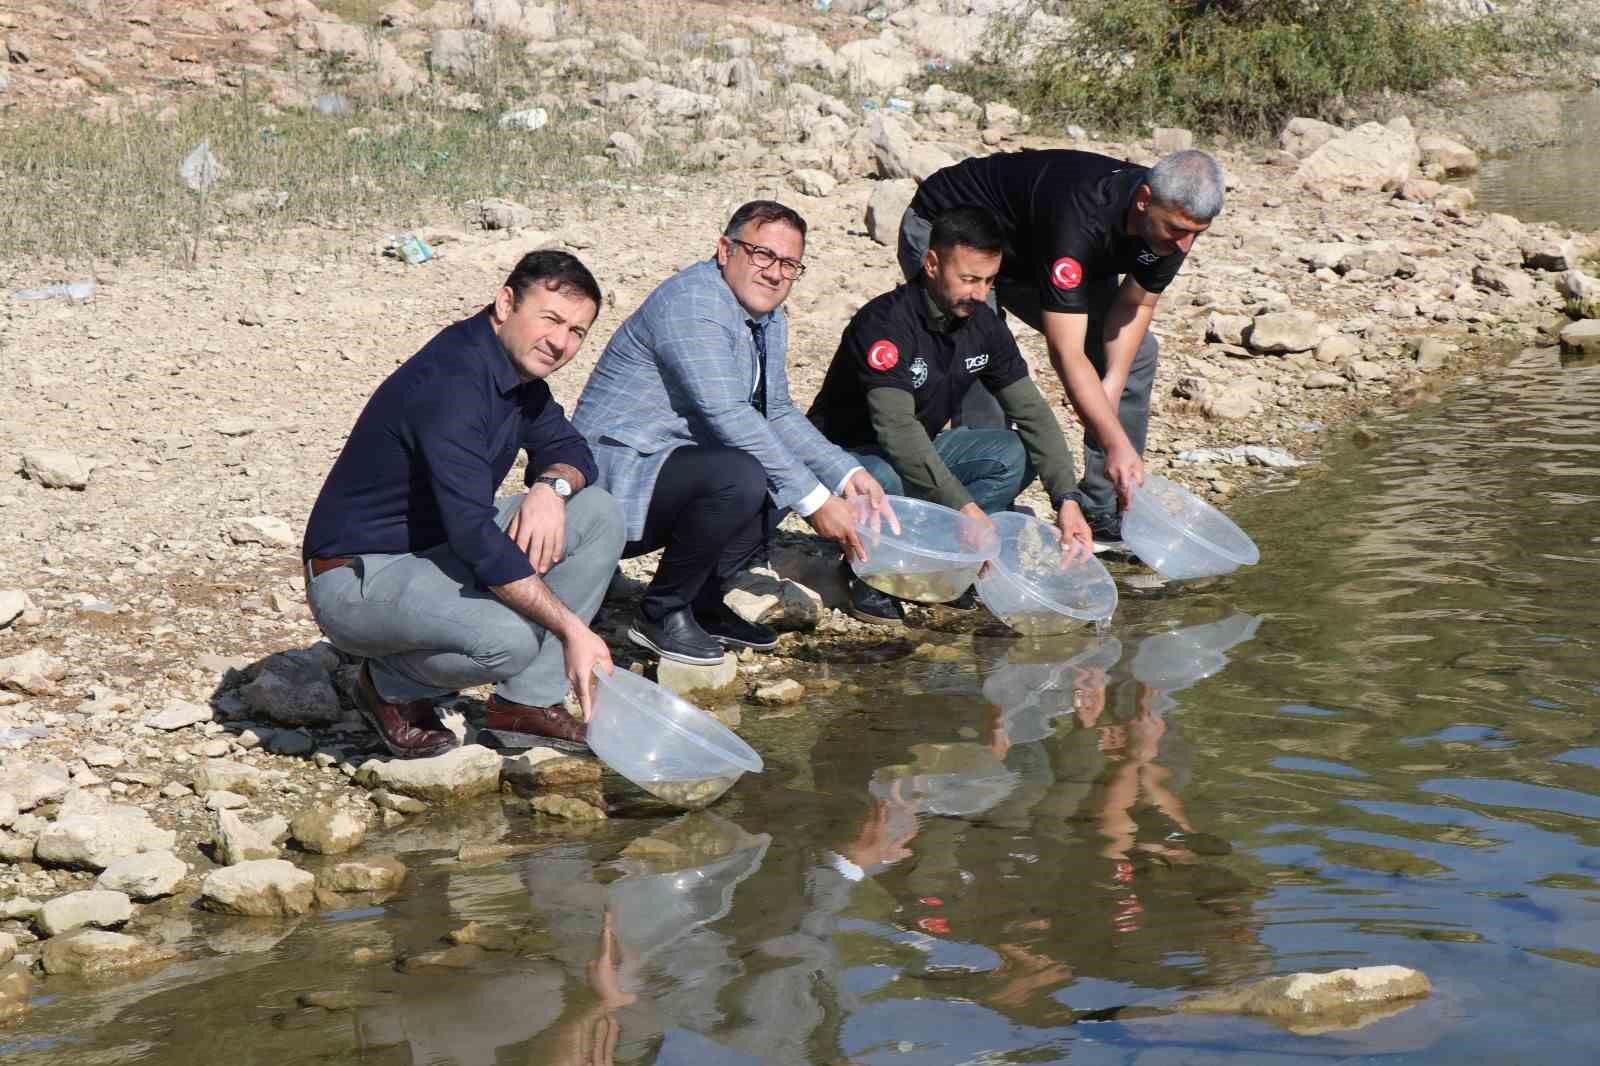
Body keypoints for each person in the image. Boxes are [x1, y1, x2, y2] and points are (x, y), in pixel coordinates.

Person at [302, 250, 625, 758]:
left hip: (432, 551)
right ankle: (388, 686)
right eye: (551, 319)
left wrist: (550, 490)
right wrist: (571, 629)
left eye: (578, 332)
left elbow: (572, 450)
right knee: (510, 641)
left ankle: (527, 705)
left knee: (598, 513)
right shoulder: (453, 384)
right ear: (505, 303)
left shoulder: (517, 377)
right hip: (357, 575)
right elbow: (475, 534)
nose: (560, 342)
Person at [573, 200, 890, 666]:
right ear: (726, 249)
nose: (774, 273)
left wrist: (844, 474)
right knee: (745, 473)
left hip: (675, 465)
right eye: (762, 255)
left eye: (788, 264)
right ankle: (661, 612)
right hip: (612, 480)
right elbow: (726, 414)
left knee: (777, 469)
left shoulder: (766, 316)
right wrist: (816, 502)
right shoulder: (694, 303)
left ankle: (703, 601)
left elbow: (776, 410)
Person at [901, 148, 1226, 546]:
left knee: (1138, 354)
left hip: (1034, 251)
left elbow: (1136, 304)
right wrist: (1115, 441)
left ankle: (1104, 511)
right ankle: (983, 514)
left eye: (1198, 233)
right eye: (1178, 230)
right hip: (951, 232)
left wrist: (1110, 387)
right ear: (1144, 201)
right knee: (979, 353)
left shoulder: (1170, 227)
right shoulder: (1082, 215)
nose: (1186, 246)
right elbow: (1066, 352)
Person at [809, 206, 1092, 626]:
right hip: (847, 457)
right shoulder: (886, 324)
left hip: (915, 453)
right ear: (931, 263)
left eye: (989, 281)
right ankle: (868, 571)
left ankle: (948, 561)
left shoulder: (984, 325)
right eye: (969, 279)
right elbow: (896, 431)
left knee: (1018, 454)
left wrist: (1067, 499)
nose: (980, 293)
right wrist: (963, 506)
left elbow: (1032, 413)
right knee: (880, 481)